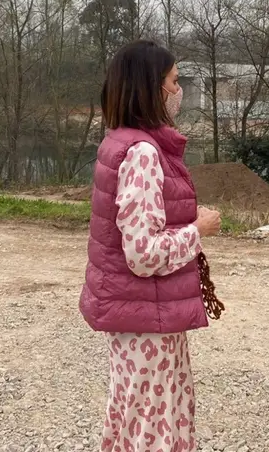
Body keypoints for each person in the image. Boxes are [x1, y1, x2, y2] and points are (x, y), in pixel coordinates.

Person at [80, 40, 224, 452]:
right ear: (152, 87)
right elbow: (142, 254)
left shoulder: (122, 140)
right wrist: (198, 230)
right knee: (154, 423)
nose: (178, 91)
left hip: (144, 313)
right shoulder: (143, 152)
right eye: (174, 81)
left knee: (135, 415)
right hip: (148, 317)